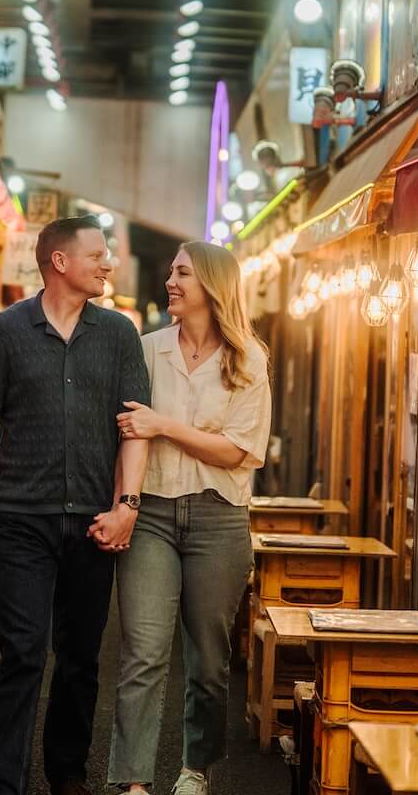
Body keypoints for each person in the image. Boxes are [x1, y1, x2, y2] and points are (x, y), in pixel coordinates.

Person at [0, 215, 152, 795]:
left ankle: (68, 774)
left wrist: (127, 505)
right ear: (60, 262)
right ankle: (4, 783)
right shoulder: (5, 331)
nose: (108, 264)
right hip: (22, 519)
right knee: (20, 654)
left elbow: (135, 428)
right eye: (97, 254)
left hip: (94, 519)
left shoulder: (118, 334)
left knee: (80, 657)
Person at [108, 241, 271, 795]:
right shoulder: (147, 349)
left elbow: (237, 451)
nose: (170, 282)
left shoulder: (248, 359)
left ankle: (195, 770)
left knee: (207, 662)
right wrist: (124, 501)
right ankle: (132, 781)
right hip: (152, 512)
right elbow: (130, 431)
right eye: (172, 272)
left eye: (182, 273)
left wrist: (165, 426)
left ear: (212, 285)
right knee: (143, 654)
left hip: (219, 519)